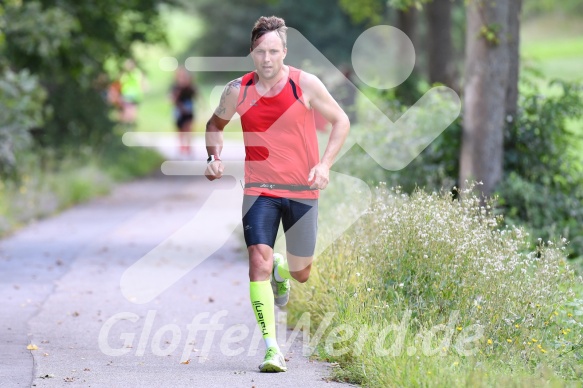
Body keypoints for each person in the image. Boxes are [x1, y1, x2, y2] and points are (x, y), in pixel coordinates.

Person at [204, 16, 350, 373]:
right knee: (257, 261)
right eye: (260, 51)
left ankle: (282, 269)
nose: (267, 58)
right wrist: (213, 156)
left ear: (284, 51)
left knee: (301, 273)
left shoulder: (305, 84)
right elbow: (214, 125)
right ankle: (272, 349)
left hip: (302, 191)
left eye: (273, 51)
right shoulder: (238, 90)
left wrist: (325, 164)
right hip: (259, 190)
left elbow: (341, 121)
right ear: (252, 53)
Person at [170, 67, 198, 156]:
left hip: (188, 108)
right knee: (180, 129)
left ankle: (188, 146)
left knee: (188, 128)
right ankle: (182, 146)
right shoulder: (175, 87)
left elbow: (196, 95)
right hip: (178, 109)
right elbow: (172, 98)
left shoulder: (190, 87)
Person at [119, 59, 146, 126]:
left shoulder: (129, 73)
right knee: (131, 110)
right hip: (131, 94)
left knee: (130, 110)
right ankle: (130, 124)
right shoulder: (135, 72)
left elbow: (121, 81)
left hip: (131, 94)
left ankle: (129, 124)